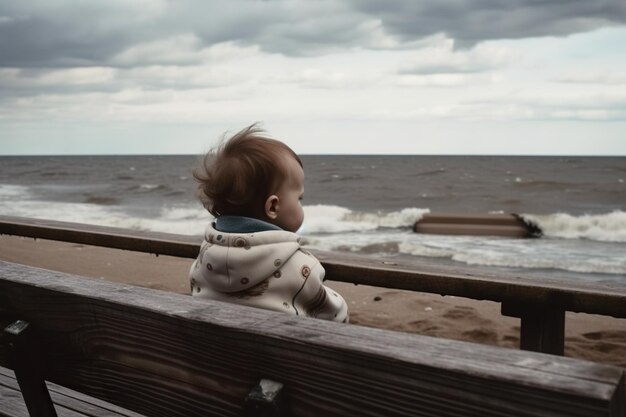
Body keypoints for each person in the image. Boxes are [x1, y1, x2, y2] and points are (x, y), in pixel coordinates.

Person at [189, 124, 349, 323]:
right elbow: (334, 315)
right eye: (299, 198)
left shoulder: (203, 260)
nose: (300, 204)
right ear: (273, 207)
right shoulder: (303, 267)